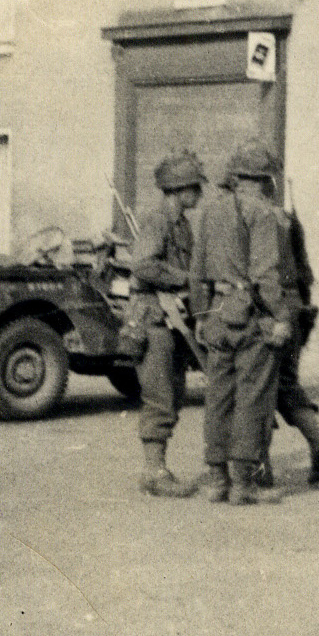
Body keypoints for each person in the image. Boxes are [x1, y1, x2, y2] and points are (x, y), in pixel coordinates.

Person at [189, 141, 293, 505]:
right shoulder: (264, 214)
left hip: (216, 314)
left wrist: (201, 318)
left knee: (218, 397)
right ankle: (243, 484)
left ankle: (216, 479)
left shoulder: (209, 212)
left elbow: (197, 273)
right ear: (265, 179)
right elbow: (266, 275)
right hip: (251, 316)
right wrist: (280, 318)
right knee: (252, 397)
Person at [132, 151, 205, 497]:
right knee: (160, 396)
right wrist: (186, 279)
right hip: (153, 318)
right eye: (194, 187)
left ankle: (157, 469)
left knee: (174, 395)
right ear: (179, 189)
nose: (199, 194)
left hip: (171, 320)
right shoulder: (157, 220)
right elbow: (144, 266)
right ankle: (154, 473)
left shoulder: (181, 224)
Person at [264, 203, 319, 494]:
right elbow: (304, 271)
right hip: (295, 307)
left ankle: (262, 467)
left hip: (269, 308)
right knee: (287, 383)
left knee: (258, 387)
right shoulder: (288, 217)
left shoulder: (250, 217)